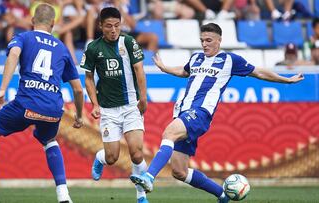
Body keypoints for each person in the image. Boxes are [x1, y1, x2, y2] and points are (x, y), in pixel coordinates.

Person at [130, 23, 304, 203]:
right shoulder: (197, 57)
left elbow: (258, 72)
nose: (204, 44)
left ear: (219, 41)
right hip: (183, 112)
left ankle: (149, 177)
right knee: (179, 171)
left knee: (169, 133)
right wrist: (166, 68)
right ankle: (221, 195)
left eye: (208, 40)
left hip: (200, 113)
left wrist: (286, 80)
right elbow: (184, 71)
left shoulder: (230, 60)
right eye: (202, 40)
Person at [0, 3, 84, 203]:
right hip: (53, 109)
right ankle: (64, 195)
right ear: (53, 23)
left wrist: (2, 90)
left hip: (26, 103)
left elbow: (14, 55)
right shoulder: (62, 48)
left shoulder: (23, 37)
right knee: (49, 140)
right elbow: (78, 89)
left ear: (32, 21)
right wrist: (79, 115)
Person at [80, 7, 149, 203]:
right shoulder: (93, 48)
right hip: (109, 110)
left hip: (131, 106)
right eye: (108, 26)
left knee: (136, 153)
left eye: (117, 25)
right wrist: (94, 104)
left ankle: (141, 195)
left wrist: (143, 98)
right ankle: (101, 158)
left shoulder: (128, 42)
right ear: (100, 26)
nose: (113, 30)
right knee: (112, 158)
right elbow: (89, 77)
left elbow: (139, 70)